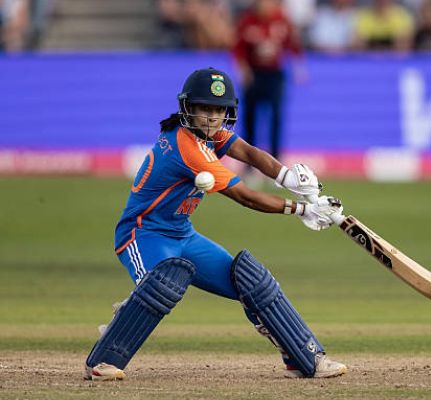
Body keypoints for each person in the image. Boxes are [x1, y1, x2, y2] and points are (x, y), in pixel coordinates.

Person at [83, 67, 347, 381]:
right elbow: (246, 197)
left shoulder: (211, 134)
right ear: (188, 109)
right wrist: (302, 209)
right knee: (159, 286)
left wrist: (287, 177)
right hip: (143, 234)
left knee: (250, 283)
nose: (212, 117)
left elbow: (249, 153)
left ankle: (302, 357)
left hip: (183, 234)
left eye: (219, 110)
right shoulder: (187, 147)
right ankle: (104, 358)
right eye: (204, 109)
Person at [233, 0, 304, 164]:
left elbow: (293, 44)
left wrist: (298, 67)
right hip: (254, 74)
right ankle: (249, 161)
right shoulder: (247, 21)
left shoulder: (282, 20)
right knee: (250, 116)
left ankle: (276, 160)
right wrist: (243, 70)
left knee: (276, 116)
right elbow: (238, 49)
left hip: (274, 75)